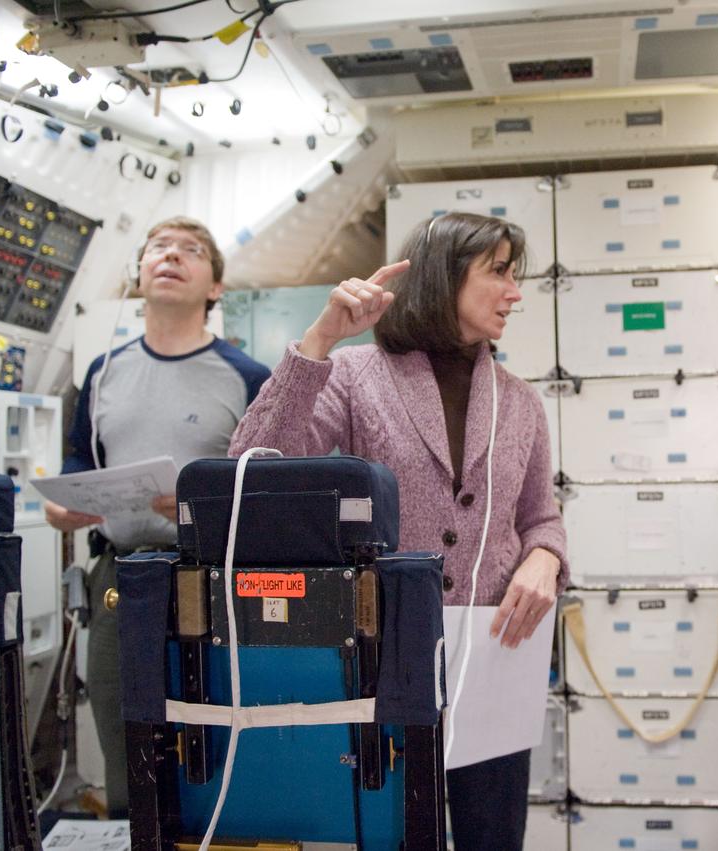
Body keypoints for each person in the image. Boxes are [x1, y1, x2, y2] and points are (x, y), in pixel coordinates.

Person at [230, 211, 567, 850]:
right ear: (444, 276)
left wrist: (545, 557)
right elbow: (254, 468)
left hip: (494, 653)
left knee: (491, 836)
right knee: (390, 835)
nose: (515, 293)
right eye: (499, 272)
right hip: (379, 660)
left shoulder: (519, 400)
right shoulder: (357, 375)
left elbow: (539, 516)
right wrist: (320, 340)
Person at [44, 216, 270, 816]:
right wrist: (62, 507)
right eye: (158, 249)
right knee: (125, 735)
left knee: (222, 736)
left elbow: (275, 496)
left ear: (215, 287)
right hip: (120, 582)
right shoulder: (103, 374)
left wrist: (203, 506)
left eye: (191, 251)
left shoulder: (248, 379)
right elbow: (77, 463)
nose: (171, 257)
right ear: (140, 272)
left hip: (216, 584)